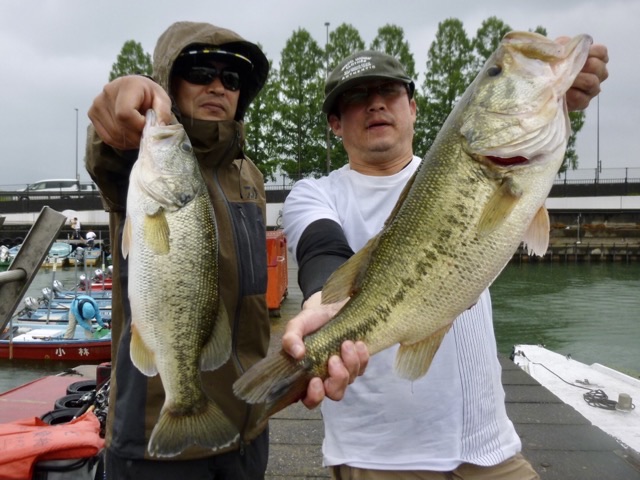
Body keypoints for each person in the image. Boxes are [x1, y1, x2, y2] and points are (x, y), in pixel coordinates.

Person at [281, 41, 609, 479]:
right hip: (381, 457)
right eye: (357, 96)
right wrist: (323, 299)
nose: (376, 103)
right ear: (335, 123)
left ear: (413, 108)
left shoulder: (470, 165)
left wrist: (552, 99)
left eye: (389, 91)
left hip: (492, 446)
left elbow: (522, 155)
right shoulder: (314, 193)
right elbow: (322, 248)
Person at [85, 20, 353, 480]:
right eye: (198, 72)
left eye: (231, 79)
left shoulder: (250, 175)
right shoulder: (137, 160)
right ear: (170, 82)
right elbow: (107, 147)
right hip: (151, 441)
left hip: (247, 425)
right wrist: (133, 93)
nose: (217, 86)